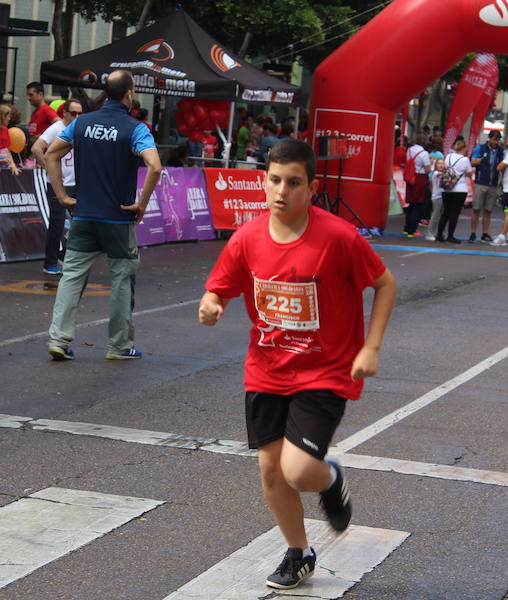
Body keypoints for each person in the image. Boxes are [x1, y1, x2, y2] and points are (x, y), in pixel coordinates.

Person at [198, 138, 396, 591]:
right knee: (270, 470)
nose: (281, 191)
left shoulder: (339, 238)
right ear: (264, 182)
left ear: (312, 188)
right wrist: (211, 304)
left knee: (300, 470)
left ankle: (329, 479)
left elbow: (385, 285)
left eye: (293, 183)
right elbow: (219, 288)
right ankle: (299, 552)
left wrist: (372, 347)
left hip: (325, 370)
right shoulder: (247, 238)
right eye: (274, 180)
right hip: (266, 370)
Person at [43, 70, 162, 361]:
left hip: (83, 214)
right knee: (122, 278)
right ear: (129, 94)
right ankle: (119, 346)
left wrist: (61, 195)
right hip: (118, 218)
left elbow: (50, 155)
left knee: (71, 277)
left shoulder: (81, 123)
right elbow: (155, 167)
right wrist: (141, 204)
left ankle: (58, 338)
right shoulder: (136, 128)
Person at [31, 98, 83, 275]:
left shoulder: (79, 129)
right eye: (73, 113)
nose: (77, 117)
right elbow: (36, 148)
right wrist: (50, 169)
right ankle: (50, 263)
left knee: (82, 223)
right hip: (57, 184)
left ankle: (63, 254)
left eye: (80, 113)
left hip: (75, 183)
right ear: (65, 113)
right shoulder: (57, 128)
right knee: (57, 224)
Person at [468, 130, 504, 243]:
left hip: (493, 184)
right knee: (476, 209)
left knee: (488, 210)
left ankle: (485, 233)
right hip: (480, 182)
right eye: (494, 139)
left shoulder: (500, 151)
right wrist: (477, 161)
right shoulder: (481, 148)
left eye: (497, 139)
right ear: (489, 138)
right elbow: (472, 160)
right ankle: (473, 233)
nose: (495, 141)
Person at [436, 139, 472, 243]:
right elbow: (469, 173)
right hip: (460, 189)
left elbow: (445, 168)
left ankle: (439, 234)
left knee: (445, 212)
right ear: (464, 148)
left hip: (447, 187)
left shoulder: (448, 156)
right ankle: (450, 236)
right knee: (454, 213)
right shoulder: (465, 160)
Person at [403, 138, 431, 236]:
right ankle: (412, 230)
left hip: (410, 177)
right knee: (418, 205)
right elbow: (428, 169)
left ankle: (407, 228)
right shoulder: (424, 153)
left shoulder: (409, 150)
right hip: (420, 178)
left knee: (411, 204)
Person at [425, 158, 445, 241]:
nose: (441, 165)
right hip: (437, 197)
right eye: (439, 163)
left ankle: (441, 233)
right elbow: (439, 174)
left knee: (442, 216)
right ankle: (430, 233)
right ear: (436, 165)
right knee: (435, 216)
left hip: (443, 196)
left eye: (442, 163)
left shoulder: (443, 173)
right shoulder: (435, 173)